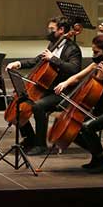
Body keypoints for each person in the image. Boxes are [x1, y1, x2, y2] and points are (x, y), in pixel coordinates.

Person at [6, 16, 81, 155]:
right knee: (16, 99)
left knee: (38, 106)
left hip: (63, 92)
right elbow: (37, 60)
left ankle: (41, 145)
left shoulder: (73, 49)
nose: (48, 31)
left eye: (52, 29)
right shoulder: (53, 44)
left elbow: (74, 69)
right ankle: (30, 138)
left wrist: (53, 59)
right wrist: (18, 64)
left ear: (61, 30)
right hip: (46, 88)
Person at [54, 35, 103, 173]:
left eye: (96, 52)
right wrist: (64, 84)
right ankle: (97, 155)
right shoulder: (95, 65)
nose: (93, 55)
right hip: (99, 111)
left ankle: (102, 159)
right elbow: (77, 77)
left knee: (87, 128)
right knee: (73, 128)